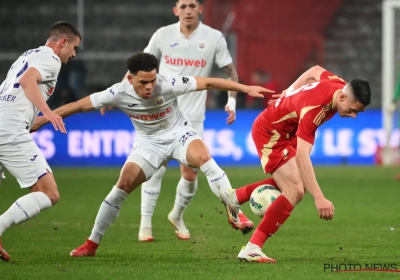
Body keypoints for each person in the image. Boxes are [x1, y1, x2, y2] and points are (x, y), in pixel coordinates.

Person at [31, 52, 272, 257]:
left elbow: (209, 82)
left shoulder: (168, 83)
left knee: (204, 156)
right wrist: (44, 118)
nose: (149, 87)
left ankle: (234, 211)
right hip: (148, 144)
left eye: (152, 81)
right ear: (129, 78)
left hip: (179, 134)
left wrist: (244, 88)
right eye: (143, 82)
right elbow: (79, 105)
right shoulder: (117, 92)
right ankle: (91, 243)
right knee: (122, 184)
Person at [127, 0, 254, 242]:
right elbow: (138, 68)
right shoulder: (162, 35)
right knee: (154, 170)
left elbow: (230, 73)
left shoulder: (214, 37)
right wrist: (118, 96)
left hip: (192, 119)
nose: (188, 10)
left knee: (191, 175)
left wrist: (232, 101)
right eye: (183, 6)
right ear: (175, 10)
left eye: (192, 5)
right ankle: (145, 226)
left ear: (200, 9)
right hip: (160, 116)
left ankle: (176, 215)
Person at [219, 65, 371, 263]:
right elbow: (302, 157)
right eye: (352, 110)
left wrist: (289, 91)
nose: (353, 115)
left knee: (293, 182)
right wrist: (320, 198)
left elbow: (315, 70)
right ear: (342, 98)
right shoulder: (315, 109)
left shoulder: (338, 85)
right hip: (271, 133)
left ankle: (235, 197)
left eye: (357, 112)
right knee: (295, 190)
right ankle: (252, 248)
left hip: (286, 130)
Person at [0, 21, 81, 262]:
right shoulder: (52, 59)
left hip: (5, 120)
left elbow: (11, 88)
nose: (74, 54)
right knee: (49, 193)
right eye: (74, 47)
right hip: (10, 129)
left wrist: (33, 119)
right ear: (62, 42)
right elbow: (27, 82)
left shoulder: (28, 54)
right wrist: (48, 112)